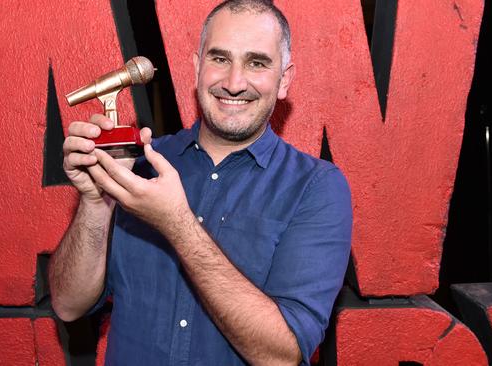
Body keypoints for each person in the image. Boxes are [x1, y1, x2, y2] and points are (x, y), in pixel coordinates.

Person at [49, 0, 352, 365]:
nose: (234, 83)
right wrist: (96, 201)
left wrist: (177, 224)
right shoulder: (140, 163)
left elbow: (282, 356)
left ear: (284, 79)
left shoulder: (316, 188)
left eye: (257, 63)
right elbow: (68, 304)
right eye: (220, 59)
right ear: (196, 68)